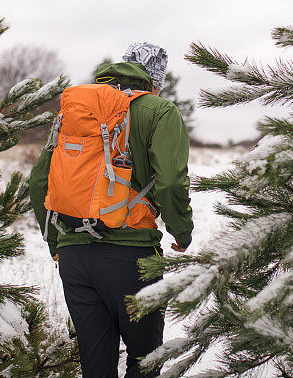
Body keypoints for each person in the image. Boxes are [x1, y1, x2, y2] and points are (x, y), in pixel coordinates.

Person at [29, 42, 193, 378]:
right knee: (145, 361)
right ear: (155, 80)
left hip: (74, 258)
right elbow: (172, 183)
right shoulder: (159, 111)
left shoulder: (77, 111)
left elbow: (38, 182)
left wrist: (54, 242)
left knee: (96, 366)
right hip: (129, 255)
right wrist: (182, 230)